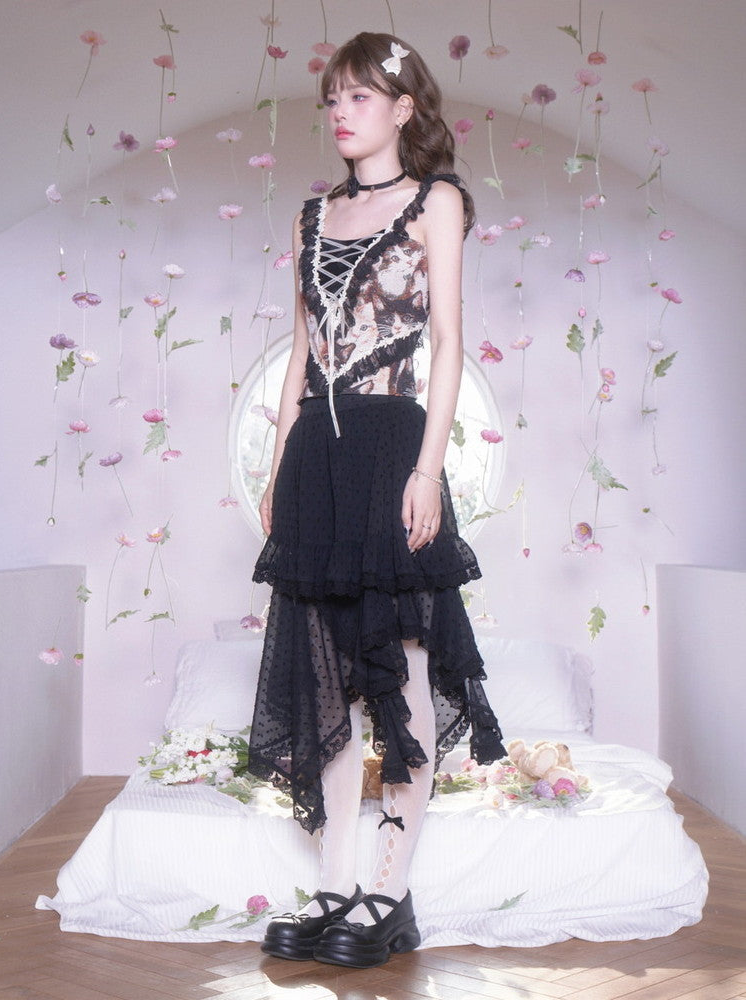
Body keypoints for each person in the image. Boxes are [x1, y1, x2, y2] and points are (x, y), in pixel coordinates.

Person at [248, 31, 505, 969]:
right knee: (324, 672)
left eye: (360, 95)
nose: (341, 111)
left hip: (395, 445)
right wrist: (277, 465)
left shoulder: (438, 202)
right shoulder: (312, 215)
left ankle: (390, 895)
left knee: (402, 665)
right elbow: (302, 352)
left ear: (402, 108)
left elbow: (447, 343)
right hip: (317, 452)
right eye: (333, 97)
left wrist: (428, 470)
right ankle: (335, 885)